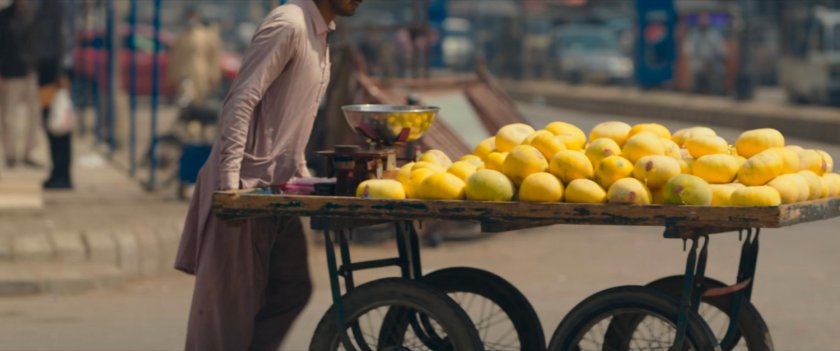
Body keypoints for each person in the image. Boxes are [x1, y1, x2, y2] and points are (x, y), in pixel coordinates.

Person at [175, 0, 363, 349]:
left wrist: (304, 177)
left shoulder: (319, 34)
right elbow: (241, 100)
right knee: (226, 319)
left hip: (278, 187)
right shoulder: (288, 24)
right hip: (244, 188)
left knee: (290, 289)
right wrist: (229, 185)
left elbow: (291, 118)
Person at [31, 0, 74, 189]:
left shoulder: (55, 6)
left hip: (54, 72)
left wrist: (62, 71)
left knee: (58, 124)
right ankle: (57, 171)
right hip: (48, 69)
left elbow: (63, 38)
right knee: (51, 122)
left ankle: (62, 174)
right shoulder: (46, 5)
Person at [0, 0, 41, 169]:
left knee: (33, 116)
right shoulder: (4, 16)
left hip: (30, 72)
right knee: (9, 116)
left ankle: (28, 153)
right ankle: (11, 155)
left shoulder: (34, 14)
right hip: (9, 73)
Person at [167, 7, 222, 105]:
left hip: (202, 74)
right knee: (187, 100)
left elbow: (213, 58)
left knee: (200, 102)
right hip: (185, 75)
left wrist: (214, 76)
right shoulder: (181, 36)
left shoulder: (205, 36)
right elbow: (175, 58)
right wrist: (173, 76)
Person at [684, 12, 727, 95]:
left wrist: (715, 59)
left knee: (719, 69)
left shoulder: (715, 34)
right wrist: (692, 56)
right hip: (699, 61)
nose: (703, 22)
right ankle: (695, 92)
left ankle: (717, 93)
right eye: (701, 20)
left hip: (713, 62)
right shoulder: (694, 34)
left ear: (709, 21)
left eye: (705, 20)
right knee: (694, 67)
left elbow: (721, 51)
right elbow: (688, 49)